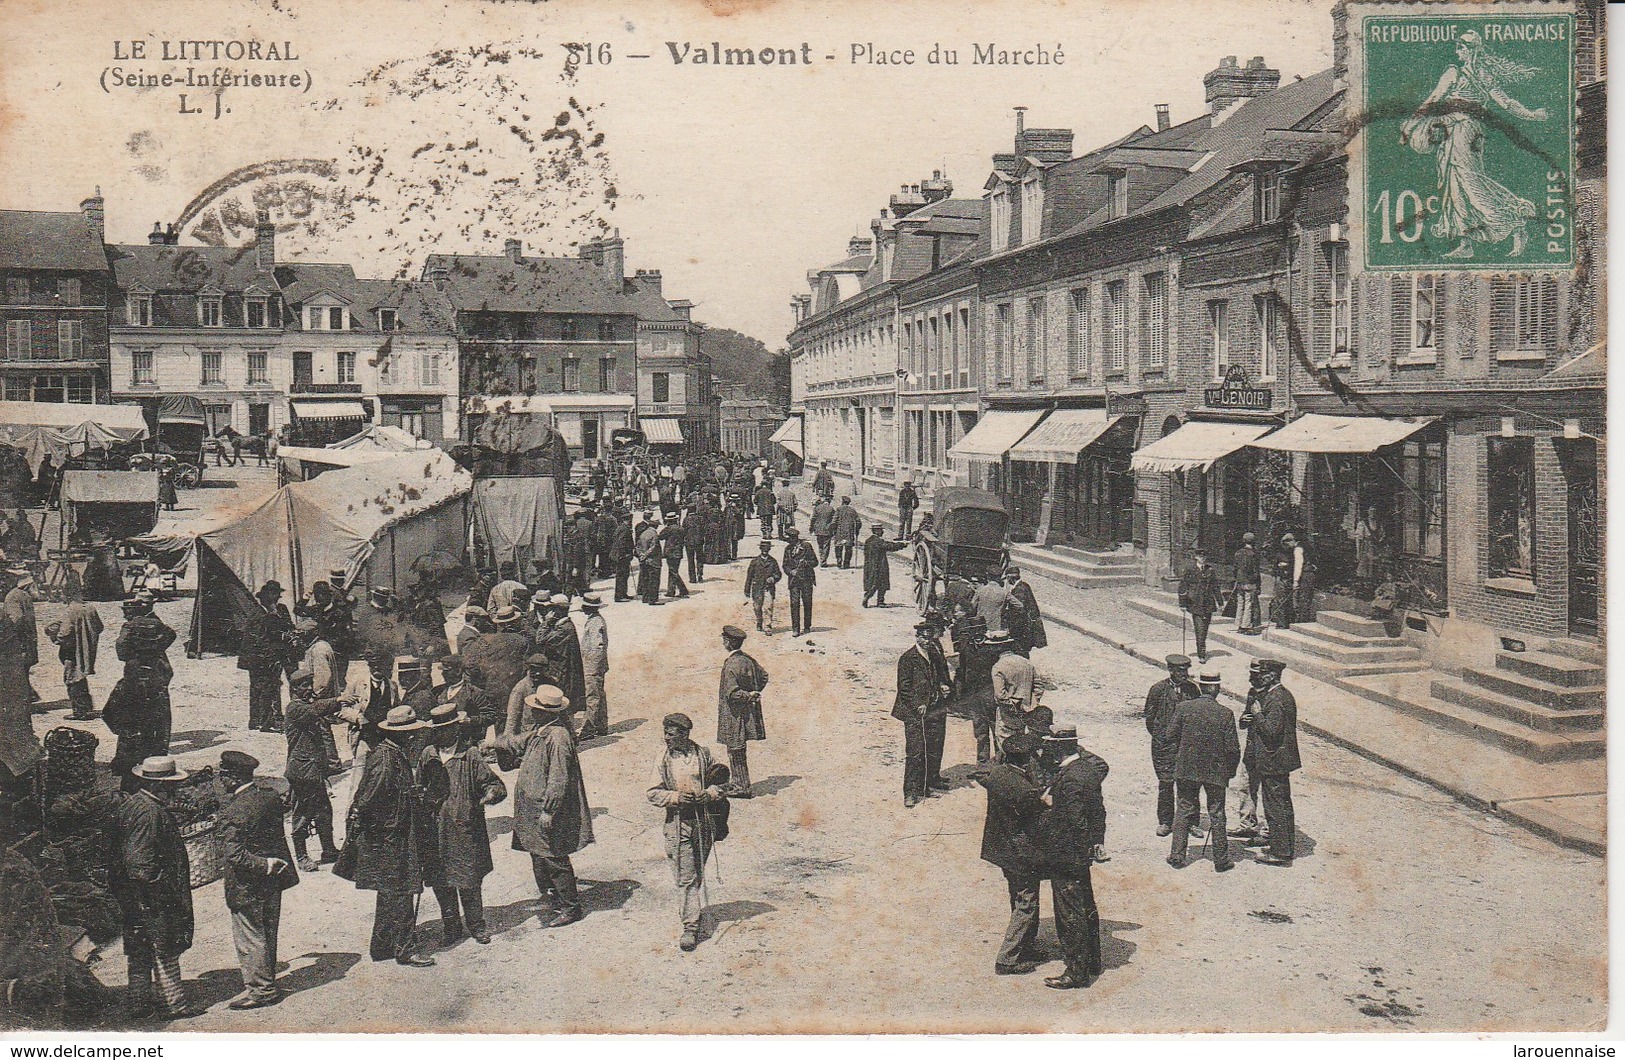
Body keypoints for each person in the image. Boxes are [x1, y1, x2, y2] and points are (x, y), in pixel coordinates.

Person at [485, 687, 594, 928]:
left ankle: (570, 907)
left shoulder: (558, 737)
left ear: (545, 712)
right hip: (531, 808)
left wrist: (549, 810)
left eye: (535, 708)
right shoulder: (540, 732)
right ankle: (552, 897)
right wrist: (494, 745)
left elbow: (559, 777)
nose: (531, 711)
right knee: (538, 853)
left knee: (553, 855)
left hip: (545, 810)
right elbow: (515, 742)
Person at [339, 705, 436, 966]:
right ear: (401, 734)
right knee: (402, 889)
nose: (415, 737)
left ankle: (381, 946)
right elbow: (369, 798)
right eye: (411, 732)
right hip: (390, 837)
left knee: (389, 891)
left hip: (391, 834)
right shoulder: (386, 759)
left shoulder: (391, 753)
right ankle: (405, 949)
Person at [112, 756, 201, 1020]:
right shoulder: (151, 813)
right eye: (172, 786)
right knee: (165, 950)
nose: (175, 791)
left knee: (139, 950)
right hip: (151, 897)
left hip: (133, 895)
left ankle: (138, 1003)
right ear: (161, 786)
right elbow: (140, 864)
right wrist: (158, 893)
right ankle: (173, 1004)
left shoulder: (133, 804)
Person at [216, 750, 299, 1009]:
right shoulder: (269, 797)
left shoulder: (234, 810)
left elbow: (234, 854)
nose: (221, 781)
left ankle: (261, 991)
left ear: (232, 778)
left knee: (250, 937)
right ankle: (268, 980)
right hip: (274, 880)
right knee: (268, 931)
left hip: (248, 883)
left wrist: (261, 864)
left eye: (223, 776)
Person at [420, 703, 506, 946]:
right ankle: (451, 927)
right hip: (435, 830)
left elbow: (494, 784)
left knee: (469, 879)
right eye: (436, 730)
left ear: (455, 729)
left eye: (444, 729)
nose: (439, 734)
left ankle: (477, 926)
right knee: (440, 882)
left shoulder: (470, 755)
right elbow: (420, 786)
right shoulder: (429, 754)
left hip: (464, 829)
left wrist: (489, 795)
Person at [647, 712, 730, 952]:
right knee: (686, 877)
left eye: (671, 734)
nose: (666, 738)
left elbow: (723, 783)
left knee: (697, 870)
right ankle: (690, 927)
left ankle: (691, 909)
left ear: (684, 735)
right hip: (677, 823)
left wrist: (710, 793)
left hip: (704, 822)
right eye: (665, 733)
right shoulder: (662, 759)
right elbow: (652, 792)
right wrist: (675, 797)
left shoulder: (703, 754)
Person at [1034, 729, 1108, 990]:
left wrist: (1048, 810)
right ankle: (1092, 961)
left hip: (1067, 855)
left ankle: (1075, 972)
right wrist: (1096, 842)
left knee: (1069, 913)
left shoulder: (1070, 778)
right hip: (1080, 854)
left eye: (1051, 747)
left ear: (1061, 749)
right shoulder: (1088, 770)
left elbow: (1073, 820)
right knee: (1086, 906)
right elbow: (1098, 811)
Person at [978, 733, 1047, 975]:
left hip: (1001, 849)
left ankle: (1024, 947)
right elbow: (1039, 818)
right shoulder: (1024, 789)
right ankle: (1007, 958)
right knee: (1027, 902)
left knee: (1017, 896)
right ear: (1027, 759)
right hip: (1021, 852)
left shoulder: (997, 775)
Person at [1165, 670, 1241, 872]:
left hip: (1187, 769)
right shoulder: (1226, 713)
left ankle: (1177, 856)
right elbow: (1233, 749)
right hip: (1216, 772)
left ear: (1200, 686)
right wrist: (1230, 771)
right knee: (1217, 813)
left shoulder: (1183, 708)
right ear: (1217, 689)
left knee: (1183, 809)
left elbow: (1170, 735)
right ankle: (1221, 861)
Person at [284, 669, 348, 871]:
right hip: (302, 771)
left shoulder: (306, 705)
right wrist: (340, 699)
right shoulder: (295, 708)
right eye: (304, 685)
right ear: (294, 689)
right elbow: (317, 710)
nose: (309, 689)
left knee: (323, 811)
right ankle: (302, 857)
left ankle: (328, 850)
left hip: (314, 770)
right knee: (302, 814)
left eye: (310, 684)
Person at [110, 593, 176, 790]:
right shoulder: (156, 624)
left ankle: (126, 765)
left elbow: (121, 652)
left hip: (134, 677)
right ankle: (157, 760)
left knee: (131, 720)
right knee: (159, 719)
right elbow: (171, 634)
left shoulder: (129, 627)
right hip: (156, 677)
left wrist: (134, 655)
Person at [1241, 659, 1300, 866]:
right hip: (1276, 760)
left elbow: (1272, 732)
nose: (1260, 677)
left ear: (1273, 676)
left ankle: (1280, 852)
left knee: (1275, 806)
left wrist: (1257, 714)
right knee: (1280, 804)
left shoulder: (1276, 698)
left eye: (1264, 674)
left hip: (1274, 761)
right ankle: (1282, 845)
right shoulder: (1280, 694)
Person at [893, 620, 951, 808]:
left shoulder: (933, 654)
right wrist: (917, 704)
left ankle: (925, 786)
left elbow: (940, 676)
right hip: (913, 713)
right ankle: (910, 793)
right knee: (915, 752)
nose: (927, 641)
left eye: (930, 637)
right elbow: (904, 688)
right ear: (917, 637)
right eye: (924, 637)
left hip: (933, 709)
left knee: (932, 748)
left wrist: (942, 686)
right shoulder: (908, 658)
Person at [1144, 654, 1198, 838]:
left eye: (1186, 670)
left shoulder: (1192, 690)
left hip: (1186, 745)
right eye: (1180, 671)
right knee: (1166, 784)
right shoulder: (1158, 690)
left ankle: (1191, 822)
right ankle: (1166, 821)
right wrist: (1163, 738)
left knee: (1190, 783)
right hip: (1164, 746)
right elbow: (1150, 720)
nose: (1185, 674)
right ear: (1170, 670)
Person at [716, 625, 768, 798]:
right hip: (747, 713)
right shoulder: (747, 659)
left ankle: (741, 786)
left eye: (724, 640)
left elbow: (732, 694)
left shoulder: (731, 664)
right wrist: (754, 692)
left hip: (734, 714)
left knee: (735, 748)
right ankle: (740, 782)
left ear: (729, 642)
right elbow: (764, 676)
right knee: (738, 748)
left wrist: (747, 695)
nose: (723, 642)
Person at [239, 581, 293, 733]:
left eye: (277, 597)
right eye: (273, 598)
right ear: (265, 599)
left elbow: (287, 626)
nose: (276, 600)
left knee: (261, 688)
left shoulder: (273, 611)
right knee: (265, 688)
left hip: (263, 657)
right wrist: (272, 658)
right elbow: (261, 641)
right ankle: (265, 722)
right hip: (258, 659)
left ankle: (258, 720)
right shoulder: (260, 615)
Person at [52, 585, 102, 720]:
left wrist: (55, 638)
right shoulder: (90, 608)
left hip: (72, 650)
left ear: (68, 596)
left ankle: (80, 711)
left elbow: (65, 632)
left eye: (61, 594)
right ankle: (87, 707)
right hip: (88, 649)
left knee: (72, 678)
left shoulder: (70, 610)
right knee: (81, 677)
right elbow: (99, 627)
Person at [988, 630, 1036, 756]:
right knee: (1021, 744)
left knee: (1006, 747)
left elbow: (1000, 695)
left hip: (1007, 715)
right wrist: (1030, 704)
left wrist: (1012, 708)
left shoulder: (998, 667)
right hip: (1026, 712)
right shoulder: (1026, 662)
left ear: (998, 647)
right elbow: (1039, 686)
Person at [1178, 546, 1221, 663]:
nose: (1203, 559)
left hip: (1208, 603)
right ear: (1196, 557)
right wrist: (1182, 603)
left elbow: (1215, 587)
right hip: (1195, 603)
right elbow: (1183, 586)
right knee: (1199, 629)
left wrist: (1220, 602)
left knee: (1205, 629)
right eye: (1200, 556)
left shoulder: (1210, 570)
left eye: (1204, 557)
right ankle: (1201, 654)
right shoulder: (1190, 570)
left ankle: (1201, 648)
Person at [2, 567, 38, 704]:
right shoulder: (25, 596)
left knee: (16, 673)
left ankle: (24, 699)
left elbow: (16, 619)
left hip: (17, 644)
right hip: (28, 642)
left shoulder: (12, 596)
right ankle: (29, 695)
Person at [577, 594, 610, 740]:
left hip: (592, 665)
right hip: (596, 664)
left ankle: (588, 728)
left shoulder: (596, 622)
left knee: (592, 696)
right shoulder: (595, 620)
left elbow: (598, 646)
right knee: (599, 694)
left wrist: (592, 667)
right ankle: (601, 725)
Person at [781, 528, 819, 637]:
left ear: (794, 538)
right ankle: (795, 628)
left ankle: (807, 625)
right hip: (794, 581)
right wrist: (790, 571)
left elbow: (815, 562)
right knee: (794, 603)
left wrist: (806, 563)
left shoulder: (806, 546)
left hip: (806, 579)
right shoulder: (787, 549)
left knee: (807, 602)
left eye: (790, 540)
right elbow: (785, 565)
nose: (789, 542)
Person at [861, 523, 907, 608]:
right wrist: (901, 545)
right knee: (881, 583)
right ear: (876, 531)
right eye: (881, 530)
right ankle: (877, 600)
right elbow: (888, 546)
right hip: (880, 565)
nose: (882, 532)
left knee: (872, 583)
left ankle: (868, 597)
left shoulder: (868, 540)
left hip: (870, 565)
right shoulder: (878, 541)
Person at [1002, 568, 1047, 654]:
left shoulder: (1019, 590)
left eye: (1007, 579)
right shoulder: (1024, 585)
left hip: (1023, 626)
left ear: (1011, 578)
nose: (1007, 581)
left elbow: (1019, 609)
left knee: (1021, 649)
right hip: (1026, 625)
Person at [743, 539, 781, 634]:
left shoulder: (773, 561)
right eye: (763, 548)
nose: (765, 550)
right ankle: (759, 621)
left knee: (768, 606)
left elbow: (778, 574)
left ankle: (767, 625)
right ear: (760, 549)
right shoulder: (754, 562)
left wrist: (773, 578)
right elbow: (749, 577)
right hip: (757, 588)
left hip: (768, 588)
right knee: (757, 607)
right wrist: (747, 590)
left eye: (767, 548)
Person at [1275, 533, 1310, 629]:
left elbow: (1298, 566)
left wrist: (1295, 581)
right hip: (1293, 577)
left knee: (1302, 600)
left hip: (1303, 576)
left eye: (1288, 544)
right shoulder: (1302, 547)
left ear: (1291, 541)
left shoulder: (1298, 549)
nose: (1288, 547)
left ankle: (1302, 623)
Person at [1232, 532, 1262, 635]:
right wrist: (1257, 583)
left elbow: (1235, 568)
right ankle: (1246, 625)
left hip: (1240, 581)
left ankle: (1239, 624)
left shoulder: (1238, 553)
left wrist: (1237, 578)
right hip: (1250, 582)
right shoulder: (1253, 554)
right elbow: (1255, 570)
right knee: (1249, 603)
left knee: (1240, 603)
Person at [635, 512, 664, 606]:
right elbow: (653, 547)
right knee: (654, 580)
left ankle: (645, 597)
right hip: (653, 561)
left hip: (644, 561)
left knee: (645, 579)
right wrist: (646, 555)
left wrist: (641, 555)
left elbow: (638, 546)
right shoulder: (654, 534)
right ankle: (653, 599)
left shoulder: (643, 533)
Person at [611, 506, 635, 602]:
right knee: (621, 576)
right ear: (627, 520)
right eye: (629, 520)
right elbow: (621, 543)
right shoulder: (625, 529)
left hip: (619, 556)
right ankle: (619, 596)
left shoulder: (620, 528)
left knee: (624, 575)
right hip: (622, 556)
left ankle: (623, 593)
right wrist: (624, 555)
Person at [832, 496, 862, 569]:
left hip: (839, 532)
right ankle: (846, 563)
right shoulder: (852, 510)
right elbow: (858, 522)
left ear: (842, 502)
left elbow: (834, 521)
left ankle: (839, 561)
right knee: (848, 549)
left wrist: (833, 531)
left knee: (838, 547)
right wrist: (857, 531)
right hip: (849, 532)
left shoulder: (838, 509)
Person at [809, 494, 836, 566]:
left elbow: (813, 519)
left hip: (818, 530)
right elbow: (834, 521)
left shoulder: (817, 508)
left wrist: (811, 528)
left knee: (820, 545)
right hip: (827, 530)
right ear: (829, 501)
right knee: (826, 546)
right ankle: (823, 561)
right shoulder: (831, 509)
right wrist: (833, 530)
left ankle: (821, 558)